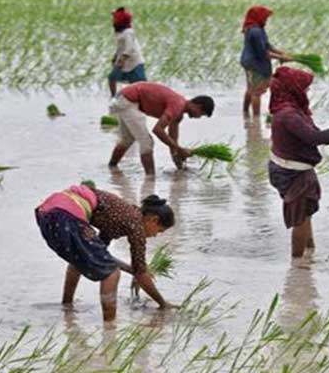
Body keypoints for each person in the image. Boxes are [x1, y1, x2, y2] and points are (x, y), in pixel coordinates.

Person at [35, 183, 178, 322]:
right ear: (153, 220)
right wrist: (162, 303)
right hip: (66, 216)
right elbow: (141, 273)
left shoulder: (123, 215)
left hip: (47, 213)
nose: (155, 235)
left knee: (80, 258)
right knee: (112, 273)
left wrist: (133, 270)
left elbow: (98, 254)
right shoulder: (136, 224)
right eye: (159, 231)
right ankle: (110, 326)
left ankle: (67, 306)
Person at [267, 66, 329, 258]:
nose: (307, 92)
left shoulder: (294, 111)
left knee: (305, 212)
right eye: (305, 88)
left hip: (291, 168)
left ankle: (310, 252)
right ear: (294, 89)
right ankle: (298, 265)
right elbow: (313, 138)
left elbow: (318, 135)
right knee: (300, 218)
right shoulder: (288, 115)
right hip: (292, 172)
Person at [107, 82, 215, 175]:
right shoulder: (178, 105)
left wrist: (180, 166)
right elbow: (158, 130)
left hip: (122, 98)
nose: (199, 117)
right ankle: (150, 178)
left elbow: (173, 142)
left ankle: (112, 166)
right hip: (127, 100)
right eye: (201, 114)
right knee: (147, 142)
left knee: (128, 139)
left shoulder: (178, 115)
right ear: (197, 106)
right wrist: (180, 149)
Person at [241, 5, 292, 117]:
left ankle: (245, 113)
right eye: (265, 17)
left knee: (250, 88)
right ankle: (256, 118)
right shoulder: (256, 31)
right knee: (257, 92)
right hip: (255, 64)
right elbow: (263, 53)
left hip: (248, 61)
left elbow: (267, 45)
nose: (266, 20)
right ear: (258, 17)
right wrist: (281, 58)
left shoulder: (253, 28)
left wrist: (281, 53)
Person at [108, 7, 147, 97]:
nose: (113, 20)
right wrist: (115, 57)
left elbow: (129, 48)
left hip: (134, 63)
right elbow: (120, 47)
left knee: (141, 86)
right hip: (123, 62)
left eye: (115, 18)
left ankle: (144, 103)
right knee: (112, 77)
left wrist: (122, 60)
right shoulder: (120, 32)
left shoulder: (128, 32)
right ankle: (113, 97)